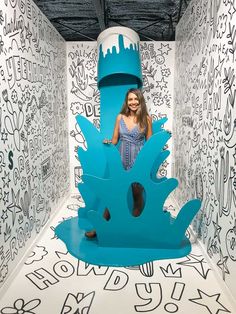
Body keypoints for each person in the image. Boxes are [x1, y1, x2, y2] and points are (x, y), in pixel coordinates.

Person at [85, 88, 152, 238]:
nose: (133, 102)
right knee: (114, 194)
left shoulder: (146, 118)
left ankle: (133, 229)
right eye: (130, 99)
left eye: (136, 99)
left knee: (137, 196)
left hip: (138, 162)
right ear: (126, 102)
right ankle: (100, 228)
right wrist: (108, 141)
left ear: (140, 100)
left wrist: (164, 137)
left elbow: (150, 142)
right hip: (121, 162)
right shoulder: (120, 117)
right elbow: (115, 139)